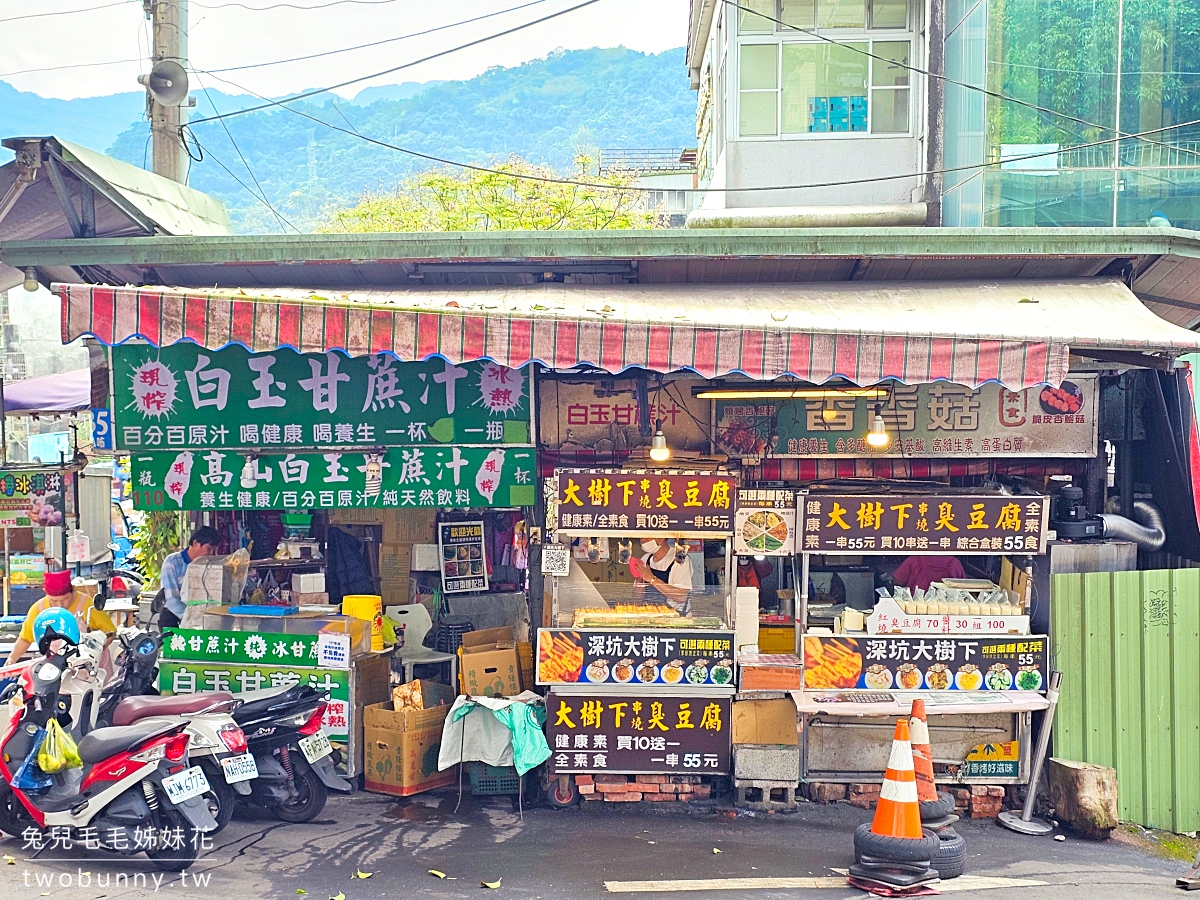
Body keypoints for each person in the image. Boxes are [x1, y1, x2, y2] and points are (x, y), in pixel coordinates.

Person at [4, 568, 115, 665]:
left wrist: (95, 652)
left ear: (73, 591)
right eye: (53, 600)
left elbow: (110, 633)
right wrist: (12, 659)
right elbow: (25, 638)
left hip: (91, 666)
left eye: (65, 599)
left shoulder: (87, 604)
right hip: (56, 666)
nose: (60, 604)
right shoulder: (38, 609)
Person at [159, 526, 222, 630]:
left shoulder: (209, 564)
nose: (211, 553)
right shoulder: (172, 562)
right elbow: (170, 598)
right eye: (209, 548)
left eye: (214, 549)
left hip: (202, 619)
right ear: (195, 543)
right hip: (174, 617)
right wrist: (189, 619)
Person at [628, 538, 694, 612]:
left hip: (676, 617)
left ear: (661, 538)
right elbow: (637, 601)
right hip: (650, 615)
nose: (642, 540)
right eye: (641, 536)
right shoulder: (645, 559)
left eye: (647, 535)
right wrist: (639, 578)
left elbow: (681, 597)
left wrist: (652, 579)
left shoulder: (679, 559)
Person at [892, 554, 965, 592]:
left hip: (916, 604)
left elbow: (898, 580)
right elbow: (963, 586)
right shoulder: (955, 563)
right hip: (949, 606)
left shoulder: (915, 559)